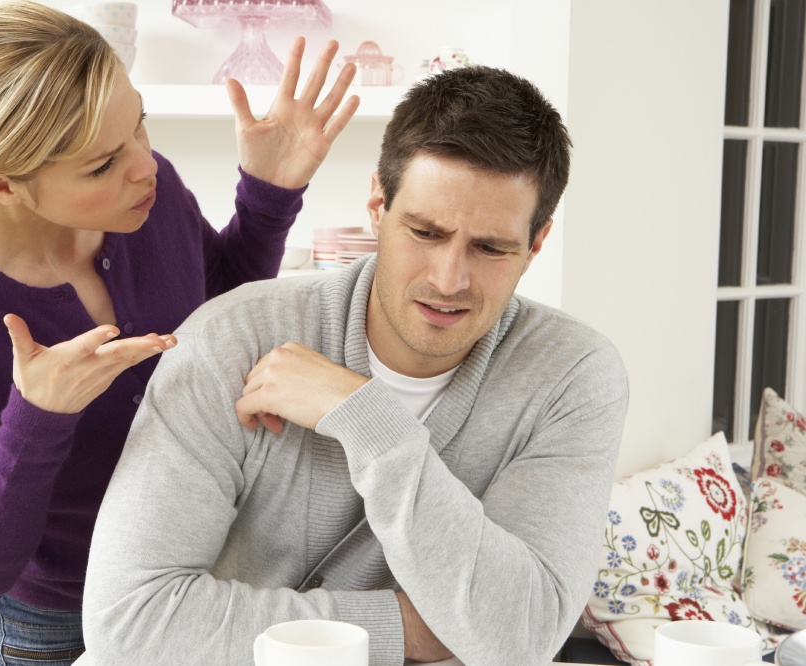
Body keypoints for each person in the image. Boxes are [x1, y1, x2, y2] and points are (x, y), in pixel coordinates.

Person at [0, 0, 359, 663]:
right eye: (101, 165)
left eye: (139, 125)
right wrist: (38, 417)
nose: (145, 165)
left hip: (203, 578)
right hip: (54, 622)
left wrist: (268, 195)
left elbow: (218, 312)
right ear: (2, 185)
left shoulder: (152, 200)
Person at [82, 64, 630, 665]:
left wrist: (368, 420)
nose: (449, 279)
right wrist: (408, 628)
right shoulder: (229, 339)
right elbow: (126, 622)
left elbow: (522, 636)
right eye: (425, 232)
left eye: (490, 248)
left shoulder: (573, 376)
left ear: (537, 242)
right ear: (377, 204)